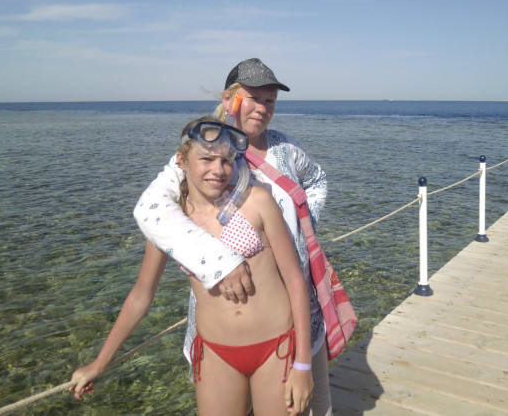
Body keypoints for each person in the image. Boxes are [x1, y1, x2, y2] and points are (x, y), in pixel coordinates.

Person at [133, 58, 336, 415]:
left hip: (296, 311)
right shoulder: (207, 150)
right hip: (224, 321)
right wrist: (217, 260)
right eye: (253, 98)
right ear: (229, 100)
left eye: (270, 101)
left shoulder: (286, 149)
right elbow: (155, 207)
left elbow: (317, 180)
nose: (262, 108)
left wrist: (305, 230)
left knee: (314, 406)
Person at [70, 118, 314, 415]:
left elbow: (295, 279)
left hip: (275, 347)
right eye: (206, 159)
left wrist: (303, 364)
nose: (218, 169)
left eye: (226, 160)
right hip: (217, 353)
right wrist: (100, 362)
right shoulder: (171, 223)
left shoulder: (257, 201)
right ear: (182, 161)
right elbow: (142, 294)